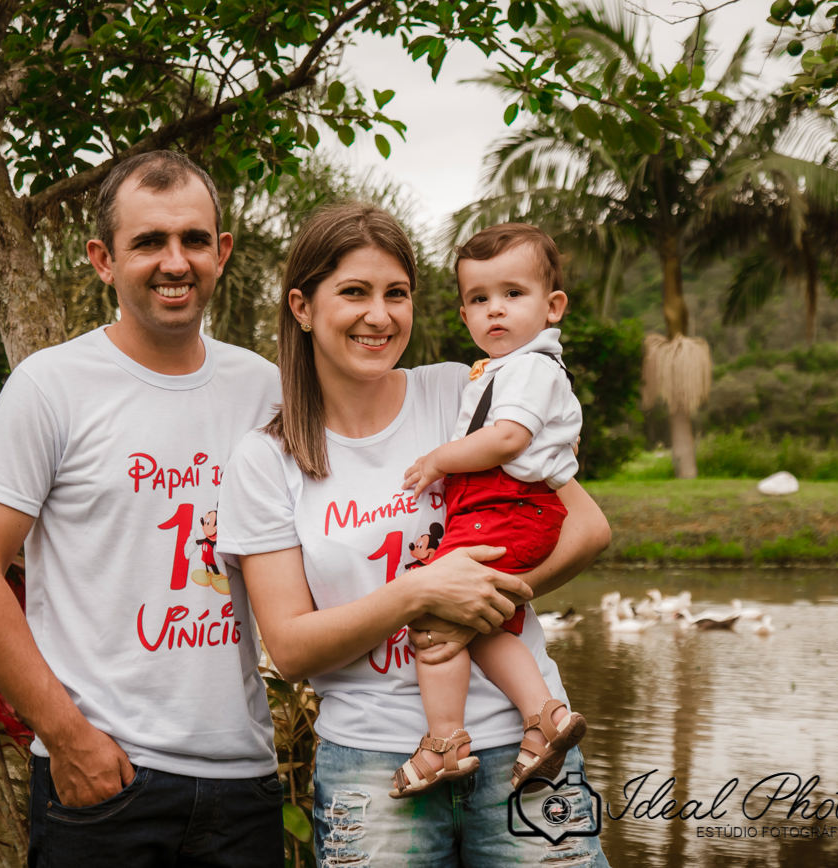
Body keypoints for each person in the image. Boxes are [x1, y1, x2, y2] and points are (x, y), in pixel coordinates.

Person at [215, 202, 612, 867]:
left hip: (523, 743)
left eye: (396, 293)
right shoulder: (264, 460)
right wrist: (419, 595)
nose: (380, 315)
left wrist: (482, 601)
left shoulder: (461, 393)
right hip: (375, 769)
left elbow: (586, 528)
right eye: (354, 292)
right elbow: (288, 648)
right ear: (302, 306)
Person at [0, 151, 289, 867]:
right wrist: (69, 740)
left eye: (194, 240)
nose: (175, 261)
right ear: (103, 259)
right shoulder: (51, 387)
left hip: (243, 783)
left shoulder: (264, 389)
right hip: (104, 783)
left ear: (222, 252)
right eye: (149, 242)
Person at [396, 223, 588, 799]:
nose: (495, 311)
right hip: (506, 508)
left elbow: (506, 439)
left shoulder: (530, 367)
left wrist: (438, 459)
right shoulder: (506, 368)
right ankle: (545, 718)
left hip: (504, 507)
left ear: (553, 307)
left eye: (513, 294)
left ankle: (444, 743)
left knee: (434, 621)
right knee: (483, 625)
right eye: (480, 299)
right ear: (463, 314)